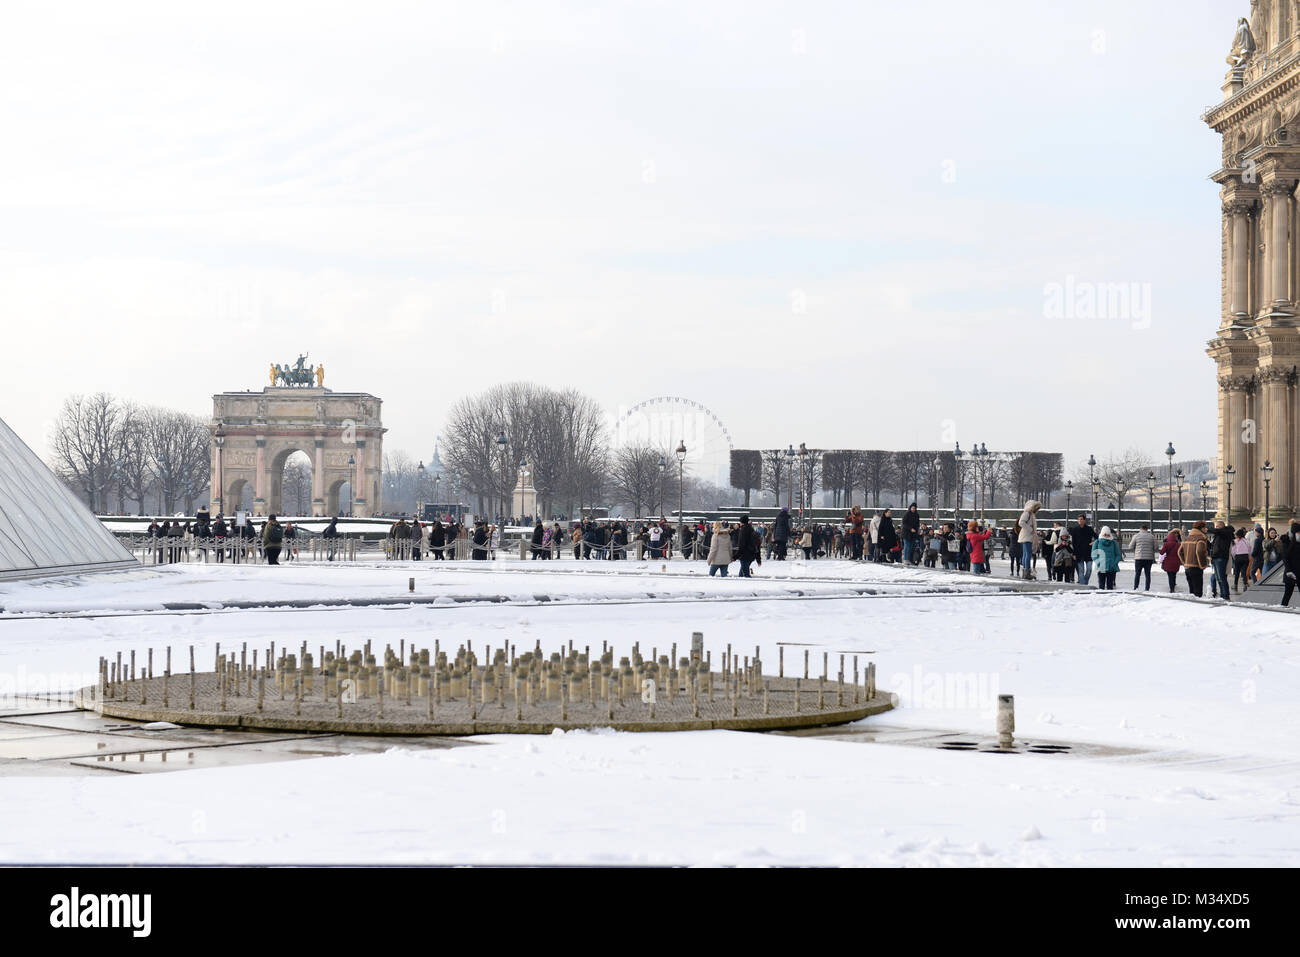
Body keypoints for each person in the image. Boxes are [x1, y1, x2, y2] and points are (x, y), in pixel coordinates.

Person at [1178, 521, 1211, 597]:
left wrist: (1185, 562)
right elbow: (1200, 552)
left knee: (1192, 591)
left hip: (1187, 568)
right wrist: (1203, 565)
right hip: (1196, 567)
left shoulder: (1187, 538)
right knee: (1198, 592)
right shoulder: (1200, 539)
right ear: (1201, 528)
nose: (1206, 529)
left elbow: (1179, 552)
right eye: (1204, 527)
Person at [1208, 519, 1235, 601]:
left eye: (1217, 526)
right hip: (1216, 557)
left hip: (1221, 557)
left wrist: (1207, 529)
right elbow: (1212, 546)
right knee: (1219, 578)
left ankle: (1225, 595)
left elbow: (1216, 531)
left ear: (1222, 526)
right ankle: (1222, 594)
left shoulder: (1226, 532)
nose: (1216, 528)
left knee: (1222, 577)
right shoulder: (1218, 535)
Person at [1068, 515, 1097, 586]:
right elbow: (1074, 543)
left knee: (1089, 569)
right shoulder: (1075, 529)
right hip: (1078, 552)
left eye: (1081, 519)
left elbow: (1097, 537)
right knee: (1081, 571)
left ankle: (1085, 583)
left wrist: (1093, 542)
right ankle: (1083, 585)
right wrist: (1074, 554)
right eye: (1078, 519)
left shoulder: (1089, 529)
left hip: (1088, 552)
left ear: (1084, 520)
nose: (1080, 521)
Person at [1016, 500, 1042, 580]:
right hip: (1027, 536)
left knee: (1026, 554)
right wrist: (1031, 529)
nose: (1037, 510)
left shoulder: (1029, 514)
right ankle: (1027, 572)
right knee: (1028, 554)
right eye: (1036, 508)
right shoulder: (1027, 513)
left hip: (1026, 536)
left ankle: (1025, 572)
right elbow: (1021, 522)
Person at [1130, 523, 1155, 591]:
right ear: (1147, 529)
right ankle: (1147, 588)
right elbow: (1156, 547)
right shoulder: (1151, 536)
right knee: (1148, 574)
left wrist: (1136, 549)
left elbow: (1130, 546)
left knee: (1137, 574)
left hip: (1139, 558)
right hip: (1149, 558)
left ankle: (1136, 587)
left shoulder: (1136, 536)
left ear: (1140, 529)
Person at [1281, 521, 1300, 607]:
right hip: (1290, 572)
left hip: (1299, 571)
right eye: (1298, 532)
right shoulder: (1287, 542)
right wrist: (1288, 571)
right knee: (1287, 593)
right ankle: (1282, 608)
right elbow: (1285, 558)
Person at [1158, 528, 1181, 592]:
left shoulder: (1166, 544)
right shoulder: (1179, 544)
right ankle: (1173, 585)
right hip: (1176, 562)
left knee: (1170, 576)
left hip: (1168, 562)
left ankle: (1172, 589)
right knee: (1174, 574)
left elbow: (1161, 552)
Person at [1231, 527, 1252, 593]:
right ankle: (1245, 584)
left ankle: (1235, 585)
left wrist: (1234, 557)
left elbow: (1233, 551)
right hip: (1245, 557)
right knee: (1244, 572)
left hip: (1238, 557)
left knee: (1237, 572)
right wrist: (1249, 556)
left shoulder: (1235, 541)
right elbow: (1250, 549)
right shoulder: (1246, 541)